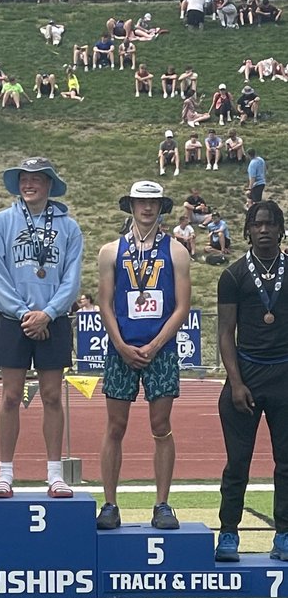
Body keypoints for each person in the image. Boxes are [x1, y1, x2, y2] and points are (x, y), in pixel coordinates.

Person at [0, 157, 83, 498]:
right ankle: (5, 474)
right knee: (10, 396)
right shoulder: (1, 222)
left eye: (37, 180)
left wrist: (49, 313)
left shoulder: (69, 227)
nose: (29, 185)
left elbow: (72, 279)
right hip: (14, 320)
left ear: (49, 185)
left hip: (52, 320)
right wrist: (27, 314)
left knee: (53, 396)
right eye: (24, 179)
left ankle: (55, 473)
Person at [96, 180, 191, 531]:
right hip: (121, 348)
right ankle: (109, 504)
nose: (147, 208)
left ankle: (162, 504)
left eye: (153, 202)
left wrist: (155, 345)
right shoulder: (110, 251)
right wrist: (120, 344)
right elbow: (105, 303)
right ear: (131, 206)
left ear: (161, 206)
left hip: (161, 350)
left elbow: (182, 307)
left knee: (161, 426)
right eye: (140, 202)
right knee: (115, 426)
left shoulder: (177, 251)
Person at [214, 200, 288, 561]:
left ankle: (284, 535)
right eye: (257, 224)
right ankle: (228, 533)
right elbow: (225, 332)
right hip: (246, 374)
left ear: (280, 230)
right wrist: (236, 382)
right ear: (246, 230)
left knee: (286, 462)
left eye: (270, 224)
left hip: (284, 376)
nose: (263, 230)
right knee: (237, 463)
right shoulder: (233, 275)